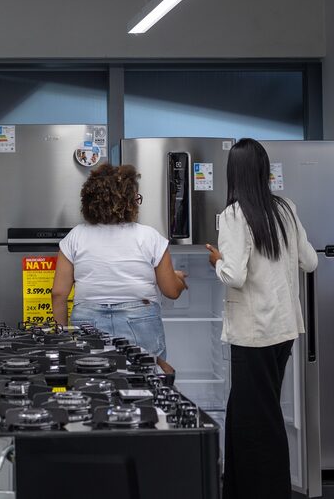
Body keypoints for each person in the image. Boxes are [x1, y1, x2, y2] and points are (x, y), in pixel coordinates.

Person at [205, 138, 316, 499]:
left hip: (253, 333)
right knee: (242, 410)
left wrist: (217, 261)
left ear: (234, 173)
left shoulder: (236, 215)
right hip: (284, 329)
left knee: (259, 420)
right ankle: (235, 487)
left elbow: (234, 276)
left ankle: (268, 491)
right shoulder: (286, 208)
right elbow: (310, 262)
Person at [51, 164, 188, 373]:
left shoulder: (75, 236)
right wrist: (177, 279)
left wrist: (63, 338)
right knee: (145, 383)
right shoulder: (149, 236)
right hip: (140, 318)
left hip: (88, 320)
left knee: (93, 384)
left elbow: (59, 293)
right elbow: (170, 290)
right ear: (129, 202)